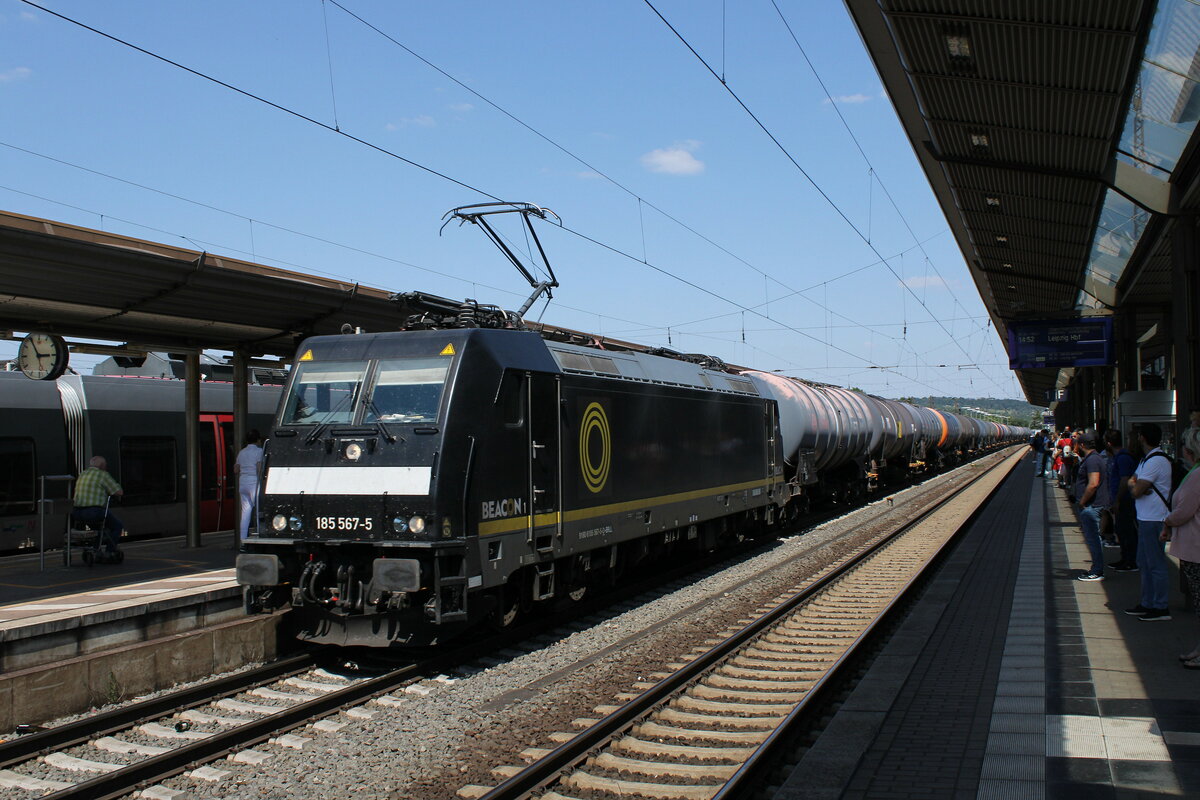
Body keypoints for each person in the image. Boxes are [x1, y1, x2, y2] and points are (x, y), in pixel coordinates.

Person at [1161, 426, 1200, 668]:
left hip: (1196, 547)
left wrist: (1167, 521)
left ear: (1190, 450)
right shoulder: (1194, 472)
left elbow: (1184, 510)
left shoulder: (1196, 475)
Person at [1126, 424, 1173, 620]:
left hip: (1155, 519)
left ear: (1142, 438)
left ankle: (1160, 607)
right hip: (1146, 518)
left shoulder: (1156, 461)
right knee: (1144, 563)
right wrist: (1137, 487)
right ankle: (1147, 603)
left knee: (1155, 564)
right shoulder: (1147, 459)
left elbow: (1135, 489)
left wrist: (1137, 488)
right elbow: (1132, 481)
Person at [1074, 431, 1111, 581]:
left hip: (1092, 505)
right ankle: (1097, 569)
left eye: (1077, 444)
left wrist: (1082, 502)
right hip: (1092, 505)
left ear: (1082, 445)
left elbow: (1093, 483)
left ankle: (1097, 571)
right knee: (1093, 538)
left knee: (1093, 539)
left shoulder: (1093, 460)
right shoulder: (1094, 458)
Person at [72, 455, 124, 554]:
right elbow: (119, 492)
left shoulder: (83, 474)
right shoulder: (103, 475)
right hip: (94, 512)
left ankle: (96, 550)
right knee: (117, 526)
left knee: (97, 529)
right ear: (102, 465)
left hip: (77, 513)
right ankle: (110, 551)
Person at [1104, 429, 1138, 572]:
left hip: (1125, 500)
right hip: (1120, 499)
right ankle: (1125, 558)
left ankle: (1131, 561)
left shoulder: (1123, 458)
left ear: (1109, 443)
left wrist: (1117, 500)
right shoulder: (1119, 457)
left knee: (1127, 530)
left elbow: (1125, 480)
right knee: (1121, 530)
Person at [234, 429, 264, 541]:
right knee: (259, 510)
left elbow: (236, 470)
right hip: (254, 483)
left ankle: (242, 539)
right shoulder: (259, 451)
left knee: (245, 512)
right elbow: (259, 469)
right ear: (258, 440)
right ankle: (260, 535)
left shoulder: (242, 452)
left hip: (243, 484)